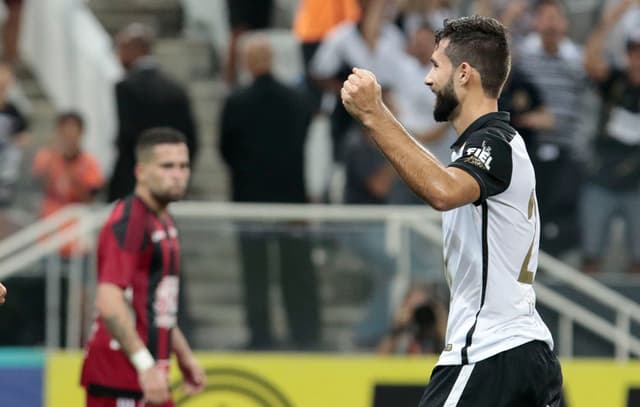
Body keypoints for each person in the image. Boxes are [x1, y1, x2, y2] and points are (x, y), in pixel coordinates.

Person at [341, 15, 562, 406]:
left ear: (464, 74)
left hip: (491, 353)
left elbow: (442, 190)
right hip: (520, 350)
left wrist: (375, 113)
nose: (427, 79)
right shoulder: (489, 145)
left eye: (434, 66)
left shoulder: (494, 143)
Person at [81, 128, 205, 406]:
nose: (178, 174)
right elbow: (109, 300)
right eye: (167, 166)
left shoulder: (163, 220)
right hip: (121, 378)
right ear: (141, 171)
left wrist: (183, 356)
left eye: (183, 166)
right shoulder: (130, 223)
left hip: (147, 376)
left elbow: (157, 305)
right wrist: (145, 366)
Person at [219, 34, 320, 350]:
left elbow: (226, 150)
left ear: (249, 63)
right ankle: (304, 333)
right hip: (291, 201)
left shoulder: (236, 102)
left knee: (256, 274)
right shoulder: (297, 99)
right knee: (296, 269)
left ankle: (260, 336)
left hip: (249, 201)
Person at [108, 23, 198, 202]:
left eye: (122, 49)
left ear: (137, 49)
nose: (118, 56)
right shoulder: (176, 88)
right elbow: (191, 139)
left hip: (133, 187)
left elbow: (127, 137)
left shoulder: (126, 87)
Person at [582, 0, 640, 274]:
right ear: (628, 54)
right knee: (591, 254)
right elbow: (591, 59)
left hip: (637, 183)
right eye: (634, 52)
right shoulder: (615, 80)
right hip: (602, 175)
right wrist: (617, 13)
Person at [33, 112, 104, 258]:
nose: (69, 138)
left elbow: (89, 197)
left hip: (77, 235)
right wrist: (55, 158)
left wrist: (70, 166)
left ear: (81, 134)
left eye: (73, 133)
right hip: (49, 231)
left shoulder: (89, 161)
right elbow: (39, 186)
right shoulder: (46, 156)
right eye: (65, 133)